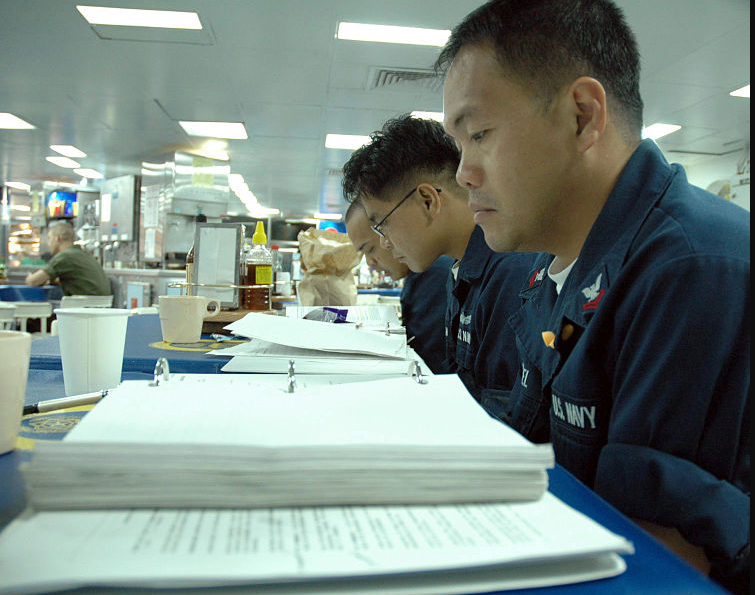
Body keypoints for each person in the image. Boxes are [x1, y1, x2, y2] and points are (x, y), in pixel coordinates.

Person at [436, 1, 750, 592]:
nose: (462, 173)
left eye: (478, 134)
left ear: (583, 116)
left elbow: (662, 560)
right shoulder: (554, 270)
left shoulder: (687, 268)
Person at [342, 114, 536, 420]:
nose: (386, 242)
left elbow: (501, 422)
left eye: (382, 224)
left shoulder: (509, 274)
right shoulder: (462, 272)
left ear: (427, 201)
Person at [344, 201, 452, 374]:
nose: (370, 262)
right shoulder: (420, 274)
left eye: (370, 249)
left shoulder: (434, 274)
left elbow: (428, 361)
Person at [25, 221, 112, 296]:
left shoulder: (64, 256)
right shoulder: (83, 254)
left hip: (83, 309)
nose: (48, 243)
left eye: (49, 238)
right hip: (101, 307)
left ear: (58, 238)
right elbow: (79, 280)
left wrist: (29, 277)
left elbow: (33, 282)